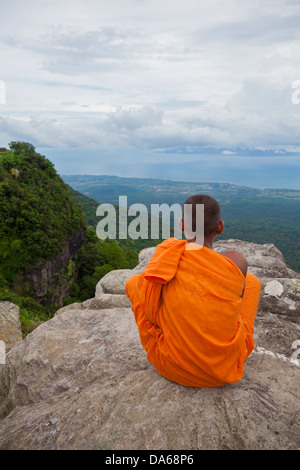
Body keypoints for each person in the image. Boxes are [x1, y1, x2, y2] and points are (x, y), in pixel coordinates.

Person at [125, 194, 261, 388]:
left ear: (182, 225)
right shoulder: (236, 262)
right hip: (225, 369)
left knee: (133, 283)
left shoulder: (167, 255)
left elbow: (146, 302)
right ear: (220, 227)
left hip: (172, 366)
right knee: (252, 282)